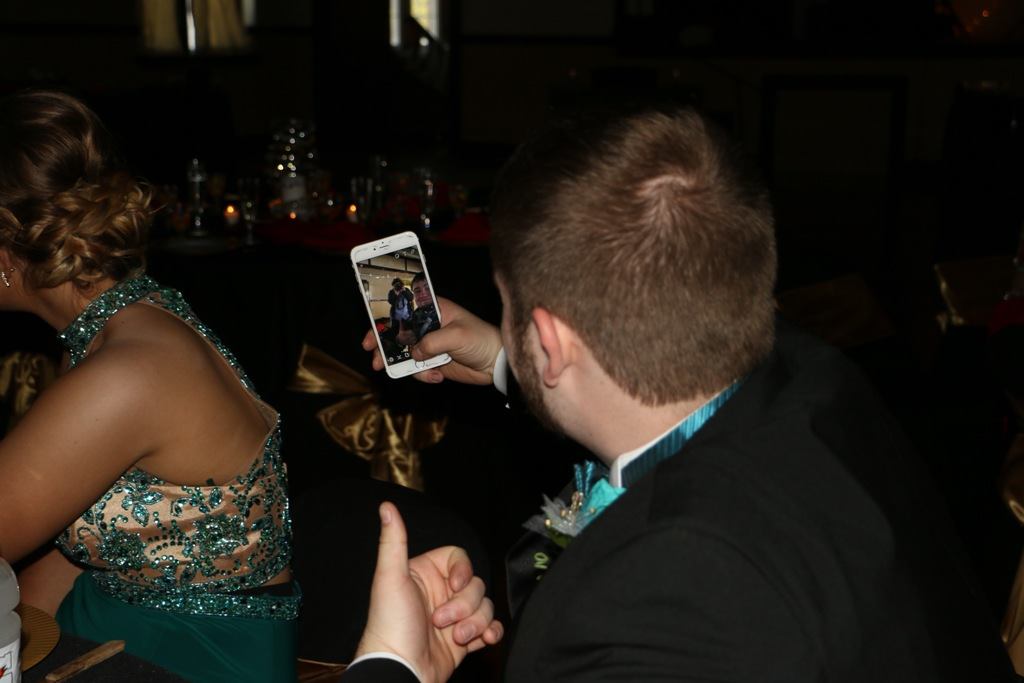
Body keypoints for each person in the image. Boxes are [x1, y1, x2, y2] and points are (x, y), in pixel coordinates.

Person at [346, 108, 1017, 681]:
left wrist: (392, 666)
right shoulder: (817, 373)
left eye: (508, 304)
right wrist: (506, 356)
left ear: (551, 340)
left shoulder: (654, 603)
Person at [0, 90, 300, 682]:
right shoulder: (119, 319)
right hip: (115, 622)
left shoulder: (126, 374)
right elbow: (70, 546)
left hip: (195, 659)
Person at [396, 272, 440, 347]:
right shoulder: (416, 313)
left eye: (428, 288)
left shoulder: (446, 312)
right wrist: (400, 339)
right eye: (417, 291)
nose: (423, 294)